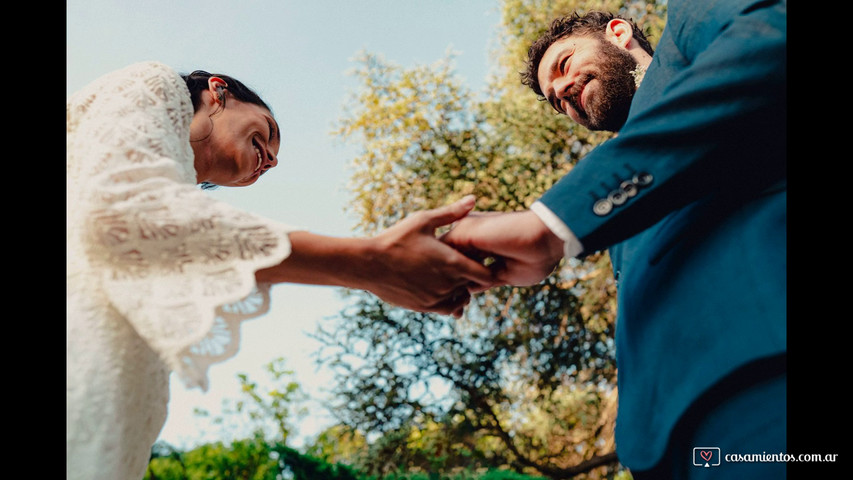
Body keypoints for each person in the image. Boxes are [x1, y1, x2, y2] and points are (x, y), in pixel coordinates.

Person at [66, 61, 495, 480]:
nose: (270, 161)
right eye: (268, 133)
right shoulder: (148, 83)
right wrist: (370, 262)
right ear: (218, 91)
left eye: (271, 159)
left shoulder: (183, 211)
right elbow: (127, 217)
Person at [442, 2, 786, 478]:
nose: (562, 91)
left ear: (619, 34)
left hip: (765, 374)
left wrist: (554, 225)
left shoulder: (686, 26)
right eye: (555, 99)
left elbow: (772, 38)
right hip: (669, 449)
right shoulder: (613, 206)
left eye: (564, 65)